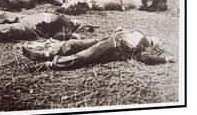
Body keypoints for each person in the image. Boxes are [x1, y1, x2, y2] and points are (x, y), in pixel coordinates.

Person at [22, 28, 175, 70]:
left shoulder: (145, 45)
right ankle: (43, 54)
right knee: (73, 45)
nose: (155, 39)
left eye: (157, 41)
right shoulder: (140, 34)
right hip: (108, 39)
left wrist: (164, 59)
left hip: (112, 47)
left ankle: (48, 64)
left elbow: (145, 58)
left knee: (83, 56)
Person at [0, 9, 82, 45]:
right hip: (23, 17)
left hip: (30, 27)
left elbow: (57, 36)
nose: (76, 21)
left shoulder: (67, 25)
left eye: (77, 22)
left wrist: (73, 35)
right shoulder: (61, 16)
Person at [56, 0, 167, 15]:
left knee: (100, 3)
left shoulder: (146, 5)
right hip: (124, 1)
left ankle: (66, 6)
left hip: (123, 2)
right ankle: (67, 4)